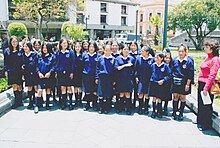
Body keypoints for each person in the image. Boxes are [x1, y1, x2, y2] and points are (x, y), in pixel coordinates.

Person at [197, 40, 220, 131]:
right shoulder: (208, 57)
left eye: (207, 47)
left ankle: (206, 124)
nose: (205, 48)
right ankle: (200, 120)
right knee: (201, 103)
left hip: (207, 84)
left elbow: (212, 75)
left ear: (212, 49)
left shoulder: (215, 59)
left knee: (206, 105)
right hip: (201, 83)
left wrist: (206, 88)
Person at [171, 45, 194, 121]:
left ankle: (181, 113)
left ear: (185, 52)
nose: (180, 53)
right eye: (179, 51)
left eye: (182, 51)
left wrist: (187, 84)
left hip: (184, 82)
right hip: (175, 81)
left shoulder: (189, 61)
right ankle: (174, 112)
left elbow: (190, 74)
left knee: (183, 97)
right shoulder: (174, 60)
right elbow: (172, 71)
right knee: (175, 96)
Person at [35, 42, 56, 113]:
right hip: (40, 76)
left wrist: (50, 72)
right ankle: (37, 105)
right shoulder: (39, 56)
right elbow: (36, 66)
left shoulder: (52, 56)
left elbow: (54, 66)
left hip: (49, 76)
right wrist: (39, 73)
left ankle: (47, 104)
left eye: (46, 48)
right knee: (40, 90)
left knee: (48, 90)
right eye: (43, 48)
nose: (44, 49)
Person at [149, 53, 171, 118]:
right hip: (154, 83)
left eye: (158, 58)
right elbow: (150, 73)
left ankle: (159, 111)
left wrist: (163, 80)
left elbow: (169, 75)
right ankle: (153, 111)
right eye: (155, 58)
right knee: (154, 98)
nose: (156, 59)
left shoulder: (165, 66)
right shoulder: (153, 65)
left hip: (161, 84)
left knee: (159, 98)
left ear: (161, 58)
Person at [115, 44, 135, 115]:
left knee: (127, 93)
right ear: (121, 50)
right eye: (124, 49)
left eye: (127, 49)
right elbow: (116, 68)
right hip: (120, 79)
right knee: (121, 93)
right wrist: (125, 65)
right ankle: (120, 108)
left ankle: (128, 108)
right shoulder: (118, 58)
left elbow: (134, 69)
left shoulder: (131, 58)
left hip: (128, 79)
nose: (126, 51)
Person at [55, 38, 75, 110]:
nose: (64, 44)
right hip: (60, 73)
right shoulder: (58, 52)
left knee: (69, 87)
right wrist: (56, 71)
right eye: (63, 43)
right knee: (63, 88)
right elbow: (56, 63)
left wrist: (72, 72)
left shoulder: (70, 52)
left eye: (66, 43)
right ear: (60, 44)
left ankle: (70, 103)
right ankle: (63, 103)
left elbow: (73, 63)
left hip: (68, 73)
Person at [4, 36, 23, 109]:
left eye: (16, 41)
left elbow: (23, 60)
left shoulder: (20, 50)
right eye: (13, 42)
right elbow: (5, 62)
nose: (15, 43)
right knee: (14, 86)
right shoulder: (7, 51)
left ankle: (20, 101)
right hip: (11, 71)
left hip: (19, 71)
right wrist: (6, 70)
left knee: (19, 86)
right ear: (10, 43)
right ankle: (17, 102)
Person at [96, 45, 116, 114]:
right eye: (106, 50)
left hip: (109, 78)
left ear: (111, 51)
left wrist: (114, 80)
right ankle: (101, 107)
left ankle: (107, 108)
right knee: (101, 94)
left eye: (109, 50)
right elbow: (97, 68)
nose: (107, 52)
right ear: (104, 51)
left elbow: (114, 70)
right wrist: (96, 77)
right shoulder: (100, 58)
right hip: (101, 78)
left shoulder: (113, 59)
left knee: (108, 94)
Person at [135, 45, 155, 114]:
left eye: (143, 51)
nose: (141, 52)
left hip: (148, 79)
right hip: (141, 79)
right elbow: (136, 69)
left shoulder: (152, 59)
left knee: (146, 94)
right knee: (140, 93)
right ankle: (140, 108)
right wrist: (136, 77)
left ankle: (146, 108)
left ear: (147, 52)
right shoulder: (138, 58)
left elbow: (153, 70)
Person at [82, 41, 100, 111]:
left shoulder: (98, 56)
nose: (91, 48)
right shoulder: (85, 55)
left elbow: (99, 67)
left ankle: (95, 104)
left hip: (95, 76)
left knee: (94, 91)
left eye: (93, 47)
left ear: (95, 48)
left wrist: (97, 77)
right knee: (88, 91)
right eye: (90, 47)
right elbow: (82, 65)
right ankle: (88, 104)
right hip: (86, 75)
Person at [22, 42, 38, 109]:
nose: (25, 48)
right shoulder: (23, 55)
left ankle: (35, 101)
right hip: (27, 74)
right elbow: (21, 63)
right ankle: (30, 102)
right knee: (29, 87)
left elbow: (33, 64)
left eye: (26, 46)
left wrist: (25, 66)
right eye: (24, 46)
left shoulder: (34, 54)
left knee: (35, 87)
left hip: (34, 74)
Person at [129, 41, 140, 109]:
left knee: (136, 90)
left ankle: (135, 103)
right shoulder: (128, 54)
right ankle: (129, 103)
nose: (133, 47)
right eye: (131, 45)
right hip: (129, 75)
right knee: (129, 90)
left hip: (136, 75)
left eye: (134, 46)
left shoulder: (139, 55)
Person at [73, 42, 83, 108]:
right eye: (76, 47)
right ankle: (76, 100)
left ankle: (80, 100)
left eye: (78, 47)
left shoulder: (83, 55)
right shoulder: (72, 55)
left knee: (80, 87)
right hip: (74, 73)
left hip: (81, 73)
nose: (77, 48)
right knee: (75, 87)